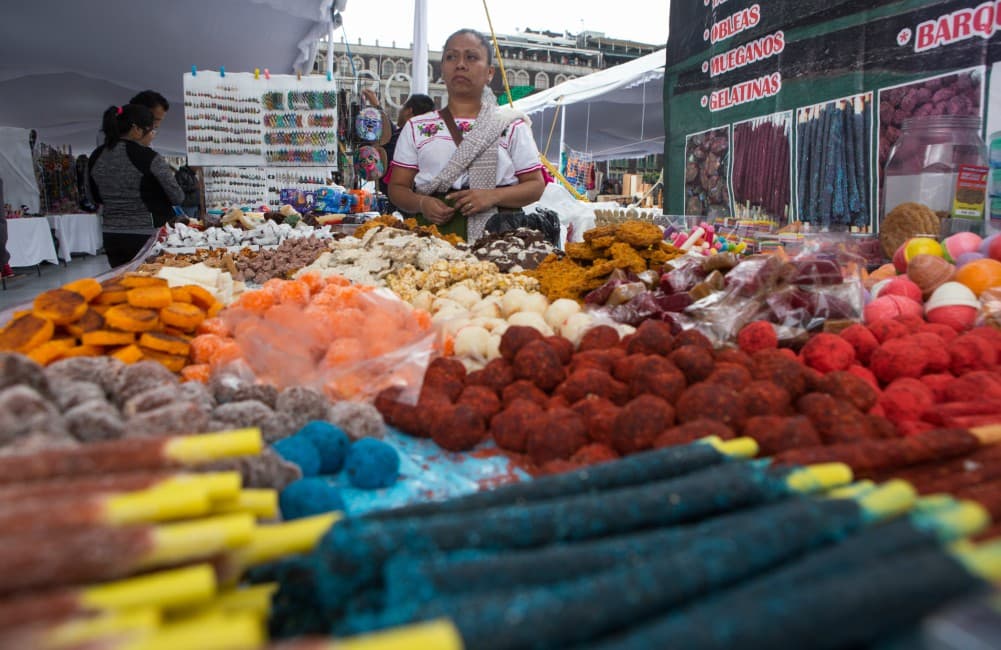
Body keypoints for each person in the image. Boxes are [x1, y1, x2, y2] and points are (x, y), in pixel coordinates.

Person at [387, 29, 544, 241]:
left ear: (490, 73)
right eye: (451, 57)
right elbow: (397, 188)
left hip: (499, 237)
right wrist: (422, 203)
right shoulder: (417, 127)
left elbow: (535, 185)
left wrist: (493, 196)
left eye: (471, 57)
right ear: (442, 69)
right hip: (434, 237)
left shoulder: (512, 125)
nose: (460, 64)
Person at [89, 104, 183, 268]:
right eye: (152, 130)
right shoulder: (149, 157)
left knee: (122, 279)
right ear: (136, 129)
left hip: (112, 234)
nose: (152, 136)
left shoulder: (96, 156)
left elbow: (92, 197)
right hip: (146, 234)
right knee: (149, 279)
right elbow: (177, 196)